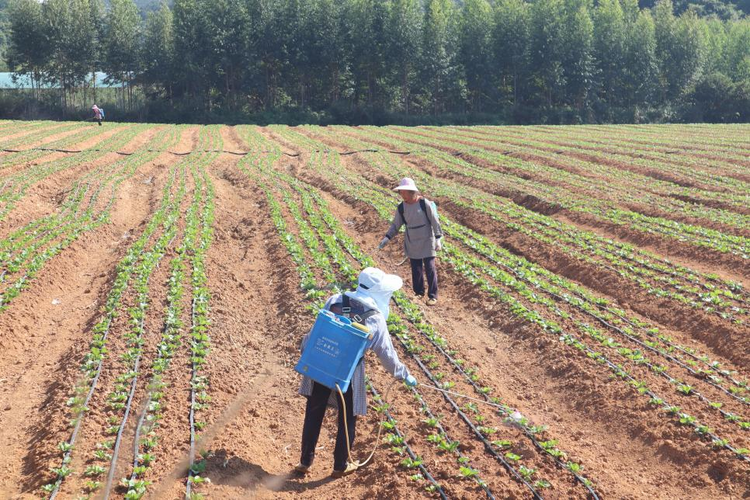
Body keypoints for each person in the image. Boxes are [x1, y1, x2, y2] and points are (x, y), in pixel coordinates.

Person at [297, 267, 417, 478]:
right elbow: (386, 353)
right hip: (349, 370)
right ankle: (340, 465)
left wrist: (305, 347)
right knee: (347, 416)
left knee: (314, 410)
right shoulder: (375, 317)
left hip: (322, 361)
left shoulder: (336, 300)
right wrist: (403, 374)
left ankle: (305, 461)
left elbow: (318, 330)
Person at [378, 178, 443, 306]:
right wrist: (387, 237)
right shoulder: (402, 207)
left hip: (427, 240)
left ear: (410, 192)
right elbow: (396, 225)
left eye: (403, 192)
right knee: (416, 268)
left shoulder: (424, 204)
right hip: (412, 240)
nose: (401, 195)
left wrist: (438, 239)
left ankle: (432, 295)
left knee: (430, 268)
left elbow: (435, 222)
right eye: (401, 192)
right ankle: (418, 292)